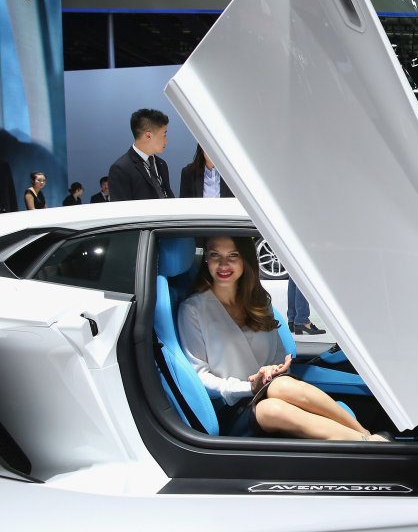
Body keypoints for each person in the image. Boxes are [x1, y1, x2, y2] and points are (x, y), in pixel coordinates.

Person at [177, 236, 385, 441]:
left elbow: (276, 355)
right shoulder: (193, 310)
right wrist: (249, 388)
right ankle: (367, 444)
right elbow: (200, 378)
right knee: (271, 408)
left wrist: (274, 370)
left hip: (272, 388)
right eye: (215, 255)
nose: (223, 264)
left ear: (245, 258)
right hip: (232, 406)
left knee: (280, 386)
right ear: (206, 259)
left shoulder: (258, 301)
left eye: (233, 255)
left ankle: (367, 436)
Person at [108, 108, 175, 201]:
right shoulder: (121, 169)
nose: (166, 141)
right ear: (148, 136)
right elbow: (121, 211)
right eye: (164, 135)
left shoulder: (161, 164)